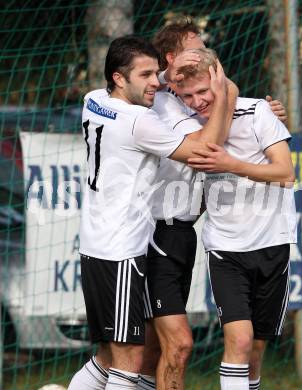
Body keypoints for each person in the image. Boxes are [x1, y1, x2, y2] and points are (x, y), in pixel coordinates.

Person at [68, 35, 232, 390]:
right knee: (129, 362)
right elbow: (205, 151)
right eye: (145, 75)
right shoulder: (137, 122)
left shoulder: (93, 100)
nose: (155, 82)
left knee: (109, 357)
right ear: (118, 78)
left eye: (156, 72)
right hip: (121, 251)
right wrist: (225, 95)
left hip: (95, 246)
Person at [137, 20, 288, 390]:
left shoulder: (218, 104)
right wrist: (227, 93)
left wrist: (266, 115)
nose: (206, 57)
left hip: (195, 233)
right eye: (196, 47)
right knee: (175, 345)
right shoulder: (162, 104)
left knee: (158, 349)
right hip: (164, 234)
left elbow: (277, 165)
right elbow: (209, 153)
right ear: (172, 62)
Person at [175, 48, 297, 390]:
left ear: (219, 80)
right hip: (226, 248)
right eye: (187, 96)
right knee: (239, 341)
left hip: (273, 243)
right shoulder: (188, 127)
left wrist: (231, 165)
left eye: (203, 91)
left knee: (255, 350)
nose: (197, 101)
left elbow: (285, 172)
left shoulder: (258, 111)